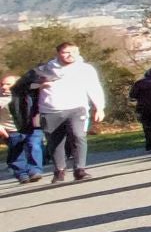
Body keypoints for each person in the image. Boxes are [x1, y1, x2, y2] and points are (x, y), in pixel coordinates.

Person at [37, 42, 105, 184]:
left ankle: (80, 169)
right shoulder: (45, 68)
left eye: (74, 51)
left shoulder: (85, 69)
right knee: (55, 141)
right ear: (58, 54)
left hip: (77, 107)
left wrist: (99, 107)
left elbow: (94, 87)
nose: (70, 55)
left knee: (78, 135)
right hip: (51, 109)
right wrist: (40, 85)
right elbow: (24, 86)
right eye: (66, 52)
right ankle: (59, 170)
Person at [5, 71, 46, 184]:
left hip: (31, 126)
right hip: (11, 129)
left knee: (34, 145)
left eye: (8, 84)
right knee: (16, 151)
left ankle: (35, 171)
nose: (4, 87)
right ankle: (21, 173)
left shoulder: (29, 94)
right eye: (2, 84)